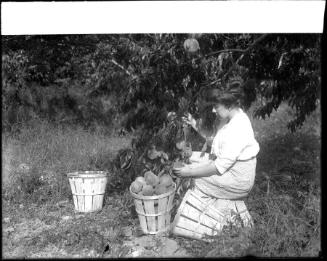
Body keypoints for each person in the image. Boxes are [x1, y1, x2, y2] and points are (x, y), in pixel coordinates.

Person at [173, 80, 260, 200]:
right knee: (188, 160)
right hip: (228, 168)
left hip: (237, 182)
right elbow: (212, 140)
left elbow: (218, 167)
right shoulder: (229, 118)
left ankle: (188, 208)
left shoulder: (238, 128)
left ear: (229, 106)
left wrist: (189, 172)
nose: (214, 110)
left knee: (190, 178)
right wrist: (192, 122)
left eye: (216, 107)